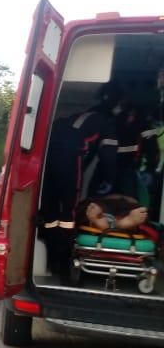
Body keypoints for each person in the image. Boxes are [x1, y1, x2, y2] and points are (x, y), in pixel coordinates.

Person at [39, 83, 122, 276]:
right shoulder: (106, 121)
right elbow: (109, 155)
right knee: (68, 212)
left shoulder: (82, 116)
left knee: (51, 210)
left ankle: (50, 259)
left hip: (49, 156)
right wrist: (109, 179)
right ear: (116, 102)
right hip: (70, 159)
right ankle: (62, 266)